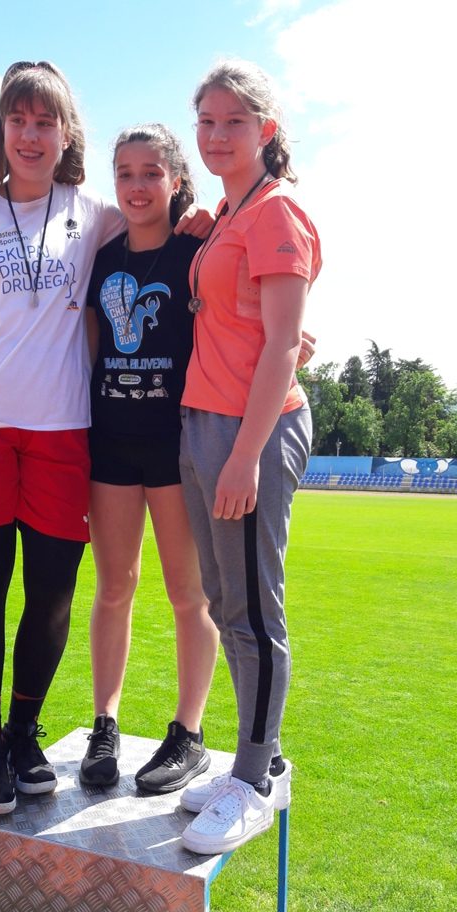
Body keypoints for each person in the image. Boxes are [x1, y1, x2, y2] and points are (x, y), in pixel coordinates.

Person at [0, 63, 208, 816]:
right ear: (2, 128)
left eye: (45, 122)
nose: (31, 135)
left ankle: (23, 734)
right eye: (19, 120)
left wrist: (203, 220)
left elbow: (157, 219)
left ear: (66, 133)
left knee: (51, 594)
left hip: (63, 430)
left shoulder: (95, 213)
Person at [177, 60, 322, 855]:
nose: (217, 135)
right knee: (225, 603)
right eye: (206, 121)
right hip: (204, 423)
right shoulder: (233, 213)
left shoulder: (276, 213)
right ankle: (250, 762)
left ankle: (257, 779)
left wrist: (246, 457)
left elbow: (282, 348)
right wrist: (206, 225)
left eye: (234, 121)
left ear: (266, 129)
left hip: (250, 432)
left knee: (255, 611)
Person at [80, 125, 219, 793]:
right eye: (125, 173)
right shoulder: (101, 257)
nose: (137, 186)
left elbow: (247, 310)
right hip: (110, 443)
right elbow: (88, 350)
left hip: (177, 445)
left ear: (175, 180)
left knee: (188, 594)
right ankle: (104, 725)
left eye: (150, 173)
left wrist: (298, 337)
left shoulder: (198, 248)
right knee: (114, 588)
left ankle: (188, 731)